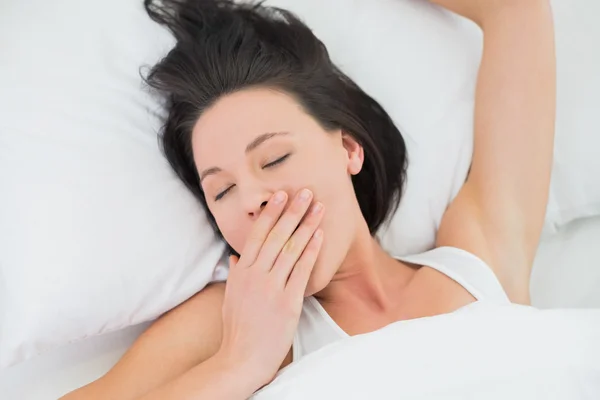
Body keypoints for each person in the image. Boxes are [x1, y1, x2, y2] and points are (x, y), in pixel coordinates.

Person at [62, 0, 556, 398]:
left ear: (347, 150)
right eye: (224, 190)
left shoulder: (478, 258)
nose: (253, 198)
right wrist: (238, 364)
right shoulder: (235, 322)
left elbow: (517, 8)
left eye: (274, 159)